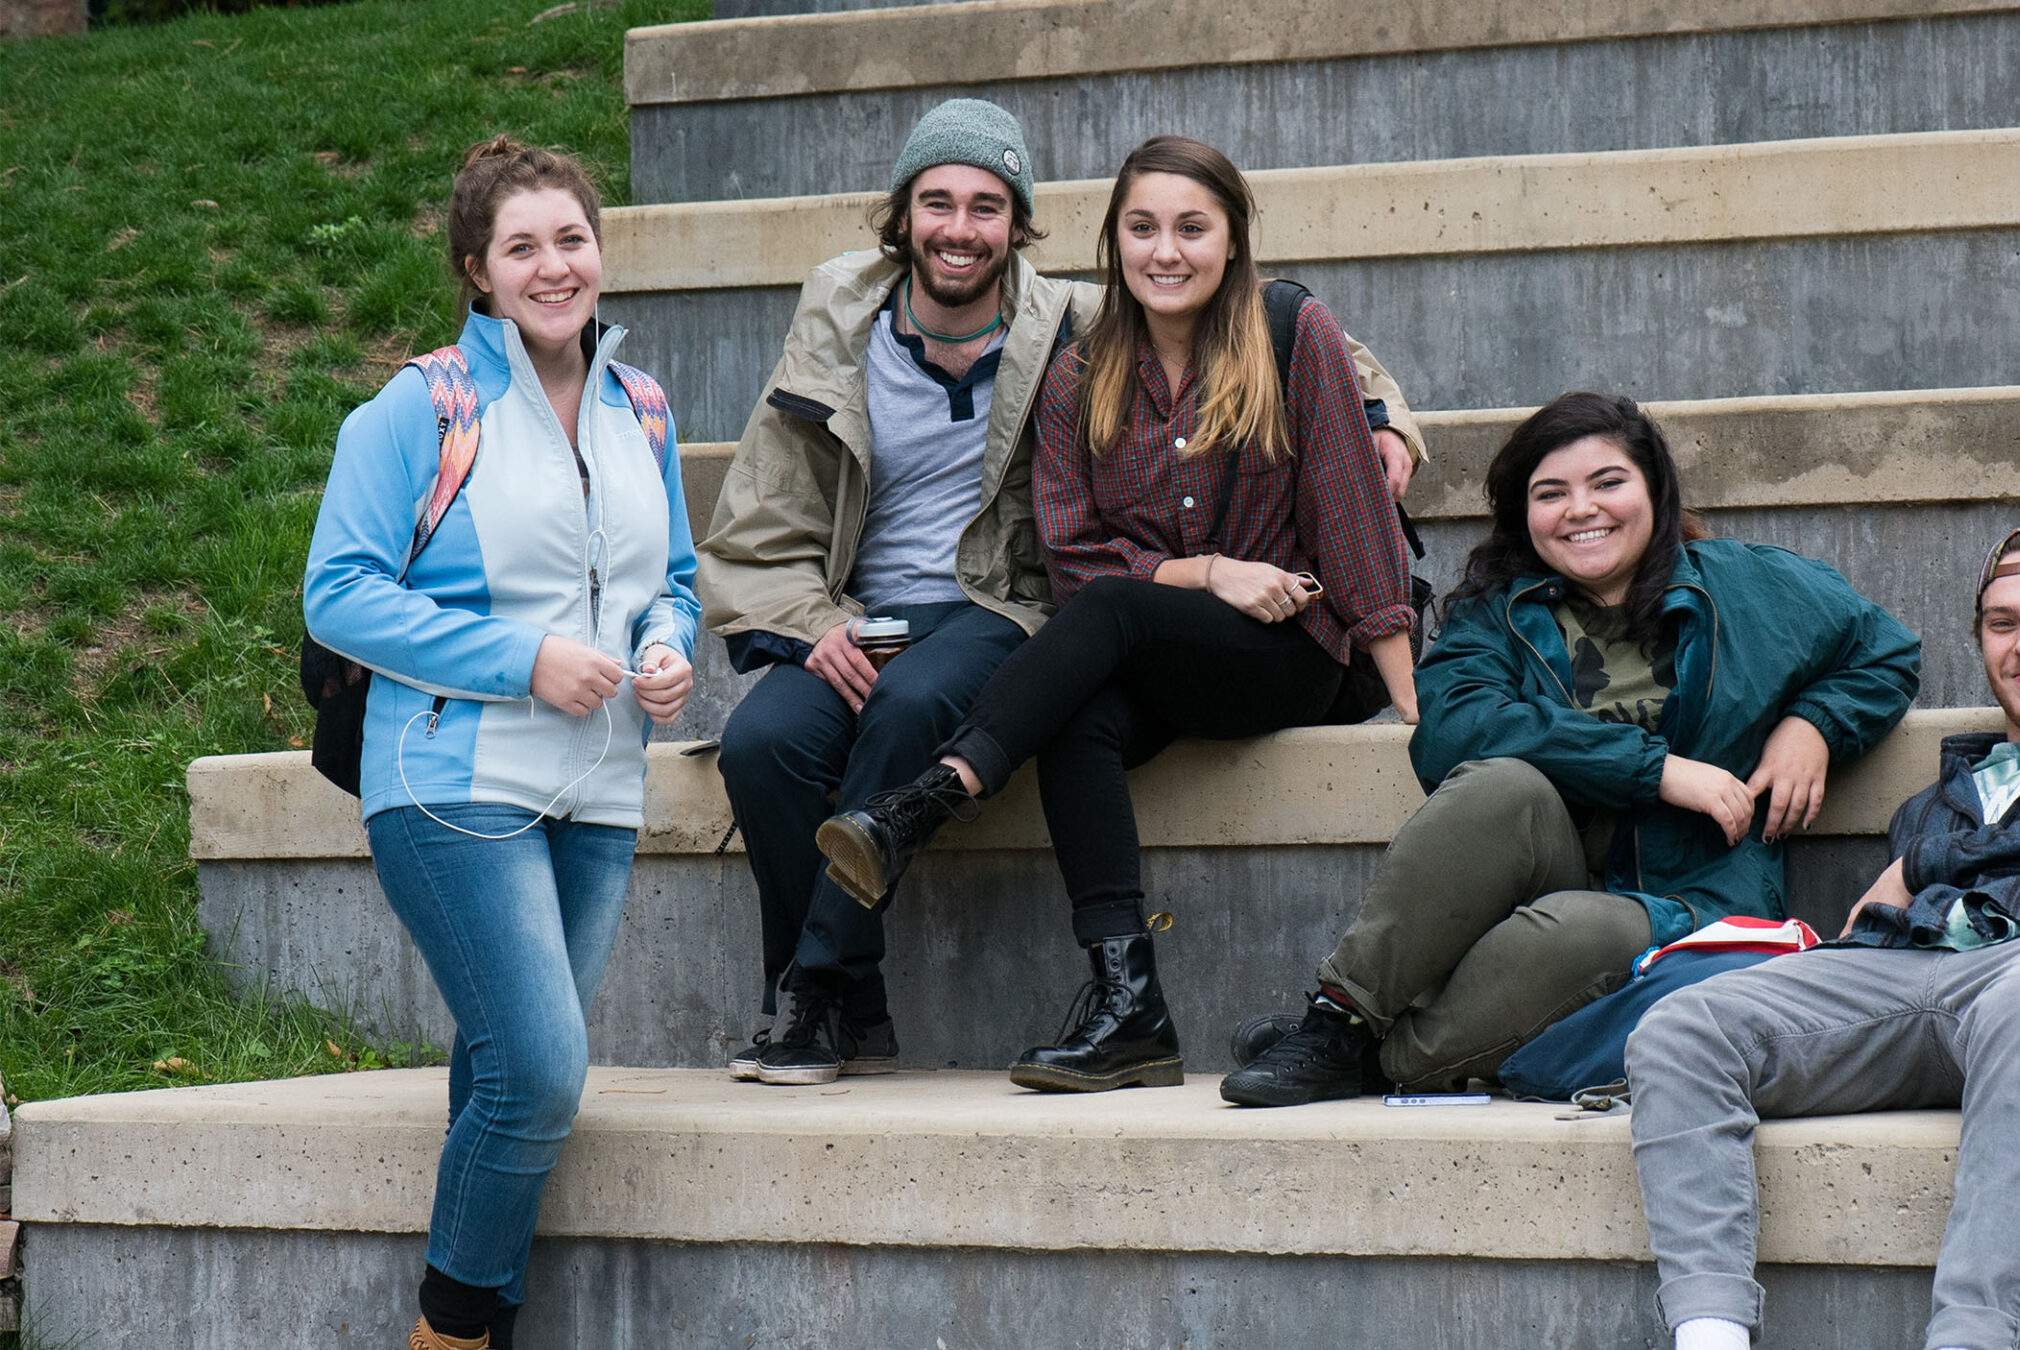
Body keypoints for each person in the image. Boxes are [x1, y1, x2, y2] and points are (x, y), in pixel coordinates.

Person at [700, 102, 1425, 1088]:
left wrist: (1383, 417)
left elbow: (1326, 427)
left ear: (1021, 225)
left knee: (954, 690)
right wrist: (811, 620)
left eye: (987, 206)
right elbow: (776, 514)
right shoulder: (896, 335)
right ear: (903, 215)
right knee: (765, 742)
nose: (961, 227)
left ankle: (839, 952)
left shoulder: (1112, 326)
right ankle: (1016, 1007)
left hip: (1084, 618)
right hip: (885, 617)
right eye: (939, 202)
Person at [1623, 524, 2020, 1350]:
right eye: (2002, 624)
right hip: (1910, 976)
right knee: (1681, 1028)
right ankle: (1709, 1336)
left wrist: (1926, 865)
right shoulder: (1939, 801)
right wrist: (1927, 861)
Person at [1218, 391, 1921, 1107]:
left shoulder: (1748, 587)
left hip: (1695, 902)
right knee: (1500, 790)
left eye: (1607, 483)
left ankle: (1365, 1052)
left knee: (1584, 928)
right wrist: (1654, 771)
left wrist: (1815, 723)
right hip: (1540, 878)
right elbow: (1452, 728)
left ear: (1654, 488)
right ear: (1525, 516)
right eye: (1551, 493)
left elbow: (1886, 650)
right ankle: (1340, 1014)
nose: (1582, 509)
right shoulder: (1503, 614)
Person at [303, 136, 700, 1350]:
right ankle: (450, 1336)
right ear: (477, 272)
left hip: (599, 785)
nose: (554, 265)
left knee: (506, 1078)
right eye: (522, 247)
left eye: (571, 238)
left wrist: (672, 644)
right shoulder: (424, 405)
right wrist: (521, 659)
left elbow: (669, 576)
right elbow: (340, 593)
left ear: (600, 248)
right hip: (448, 778)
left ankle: (486, 1333)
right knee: (538, 1071)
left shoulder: (643, 406)